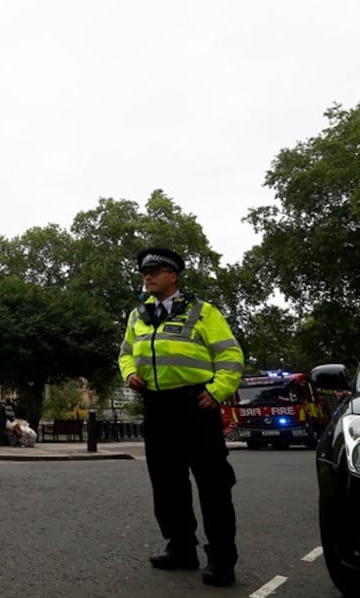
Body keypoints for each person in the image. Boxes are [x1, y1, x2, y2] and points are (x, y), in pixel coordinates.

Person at [117, 247, 244, 588]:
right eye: (145, 271)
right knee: (167, 484)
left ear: (173, 276)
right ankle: (180, 547)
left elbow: (231, 355)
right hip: (157, 407)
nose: (148, 276)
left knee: (213, 486)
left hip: (196, 405)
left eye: (155, 271)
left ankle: (221, 558)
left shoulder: (203, 312)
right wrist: (129, 374)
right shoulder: (137, 315)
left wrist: (217, 391)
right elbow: (126, 353)